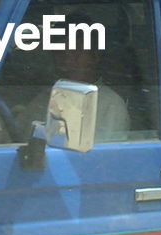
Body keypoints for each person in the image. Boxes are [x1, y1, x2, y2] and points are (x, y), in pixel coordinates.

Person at [54, 10, 130, 141]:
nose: (67, 61)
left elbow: (103, 157)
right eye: (61, 54)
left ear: (95, 56)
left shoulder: (110, 104)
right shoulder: (46, 96)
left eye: (76, 53)